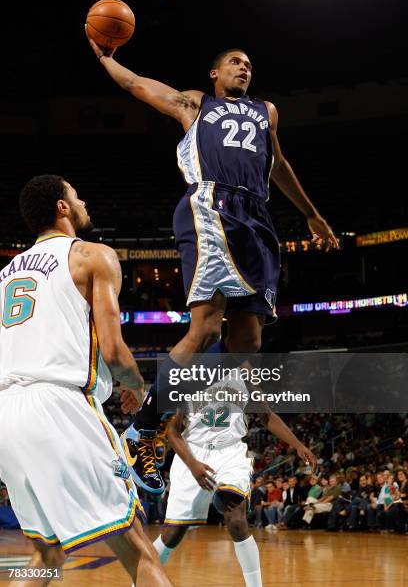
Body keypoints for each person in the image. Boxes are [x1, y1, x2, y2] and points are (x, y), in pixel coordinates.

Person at [86, 32, 339, 495]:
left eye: (249, 65)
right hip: (211, 207)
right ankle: (144, 426)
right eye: (236, 63)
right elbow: (138, 85)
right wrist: (107, 59)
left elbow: (278, 165)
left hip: (258, 219)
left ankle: (157, 413)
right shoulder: (195, 105)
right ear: (215, 73)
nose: (244, 68)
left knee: (247, 342)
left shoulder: (268, 112)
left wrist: (312, 214)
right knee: (203, 329)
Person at [0, 175, 172, 587]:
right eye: (76, 195)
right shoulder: (91, 256)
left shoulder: (5, 273)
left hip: (7, 415)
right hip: (59, 408)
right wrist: (137, 385)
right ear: (62, 207)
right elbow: (113, 351)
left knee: (46, 553)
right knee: (139, 550)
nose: (83, 201)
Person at [151, 370, 316, 587]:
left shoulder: (245, 373)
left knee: (236, 519)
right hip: (191, 453)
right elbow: (173, 431)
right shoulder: (190, 373)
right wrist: (193, 465)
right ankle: (140, 580)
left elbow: (266, 416)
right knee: (172, 533)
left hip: (230, 452)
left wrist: (298, 445)